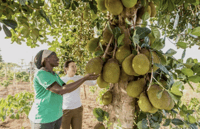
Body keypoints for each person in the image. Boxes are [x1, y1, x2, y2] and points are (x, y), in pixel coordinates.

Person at [28, 50, 99, 129]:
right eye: (54, 56)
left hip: (56, 116)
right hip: (43, 118)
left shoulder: (55, 75)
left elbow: (67, 88)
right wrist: (84, 78)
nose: (58, 59)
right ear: (46, 59)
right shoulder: (41, 73)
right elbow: (60, 90)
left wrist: (86, 79)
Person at [61, 60, 97, 129]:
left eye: (75, 66)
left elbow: (92, 83)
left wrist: (98, 73)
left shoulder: (79, 78)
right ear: (66, 69)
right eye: (72, 66)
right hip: (65, 110)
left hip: (77, 109)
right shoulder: (61, 80)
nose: (75, 68)